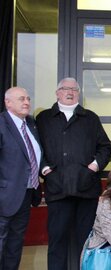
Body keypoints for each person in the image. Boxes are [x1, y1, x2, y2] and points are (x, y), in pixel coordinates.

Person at [36, 77, 111, 270]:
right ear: (57, 93)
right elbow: (35, 148)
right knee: (57, 242)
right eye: (65, 89)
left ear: (78, 93)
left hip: (86, 189)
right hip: (57, 188)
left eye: (74, 89)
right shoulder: (44, 118)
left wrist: (93, 167)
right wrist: (46, 170)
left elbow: (105, 147)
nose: (70, 92)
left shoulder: (90, 118)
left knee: (86, 241)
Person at [0, 87, 42, 269]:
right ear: (7, 102)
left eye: (28, 98)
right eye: (21, 99)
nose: (26, 102)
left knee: (15, 245)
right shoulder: (2, 124)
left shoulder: (31, 124)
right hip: (4, 196)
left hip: (25, 194)